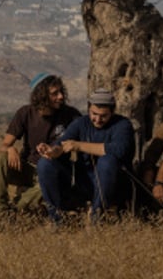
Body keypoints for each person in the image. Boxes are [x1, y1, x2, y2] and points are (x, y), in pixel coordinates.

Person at [0, 72, 80, 219]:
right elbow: (4, 145)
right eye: (54, 93)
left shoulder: (71, 115)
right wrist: (10, 149)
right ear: (41, 95)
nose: (61, 97)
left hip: (53, 171)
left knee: (47, 186)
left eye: (61, 91)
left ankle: (8, 213)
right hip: (27, 168)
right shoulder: (25, 113)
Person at [36, 88, 135, 224]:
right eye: (94, 114)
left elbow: (119, 150)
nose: (98, 119)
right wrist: (52, 151)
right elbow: (63, 143)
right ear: (89, 109)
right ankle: (57, 219)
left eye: (103, 116)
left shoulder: (123, 125)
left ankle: (97, 218)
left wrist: (79, 145)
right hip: (85, 182)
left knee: (107, 161)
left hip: (113, 185)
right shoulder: (81, 123)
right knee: (45, 164)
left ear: (112, 112)